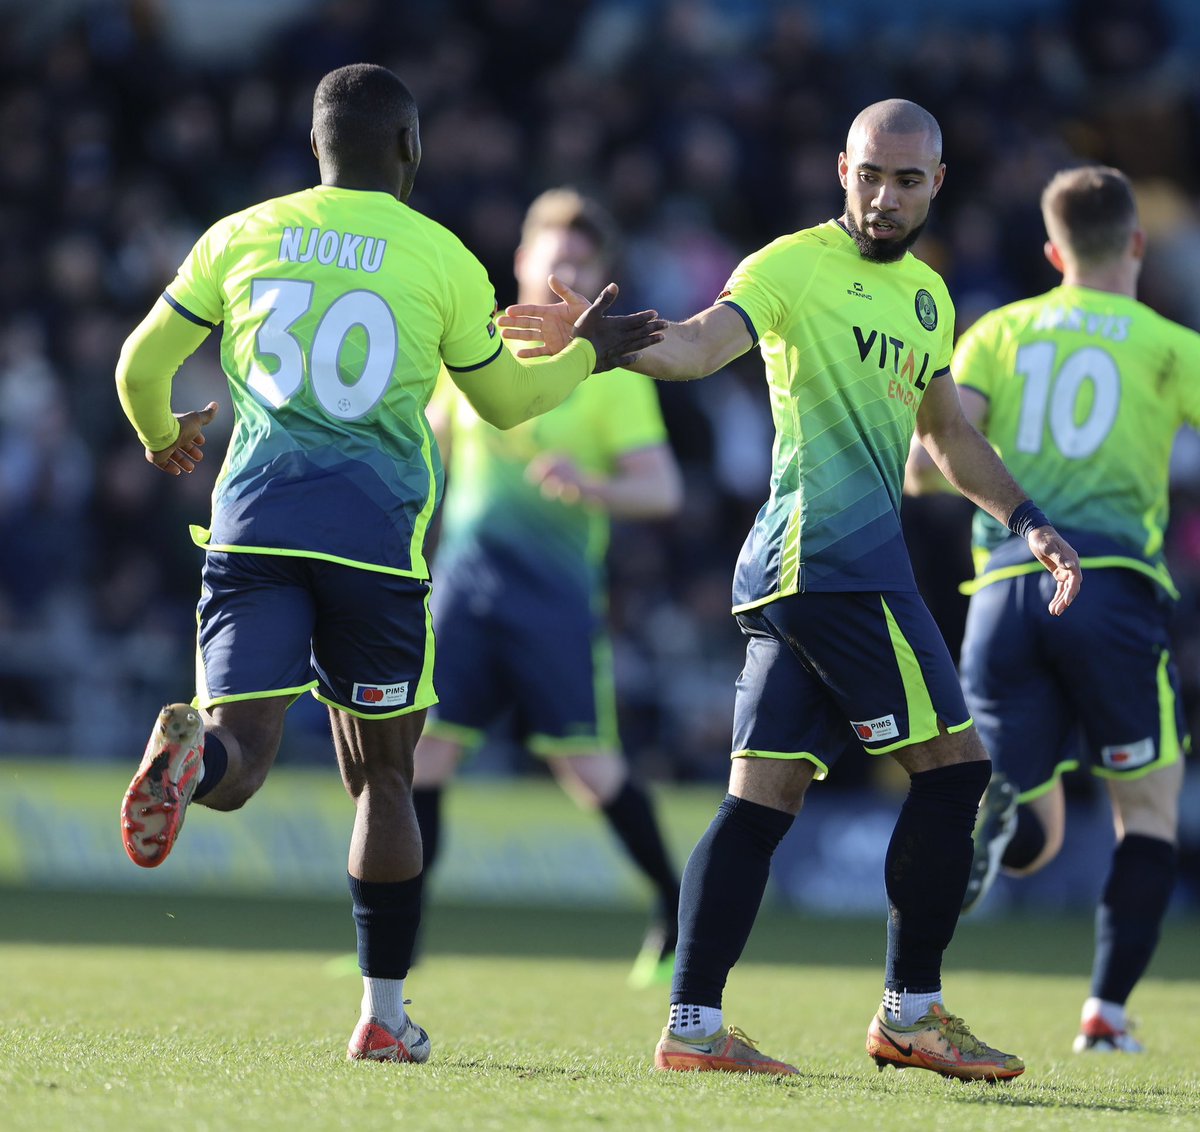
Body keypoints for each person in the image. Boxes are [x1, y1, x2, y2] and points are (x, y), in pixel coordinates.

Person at [500, 98, 1082, 1081]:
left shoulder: (930, 300)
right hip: (833, 564)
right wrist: (606, 341)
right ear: (839, 169)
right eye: (869, 174)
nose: (884, 196)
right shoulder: (790, 264)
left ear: (938, 183)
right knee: (954, 770)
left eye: (907, 180)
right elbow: (694, 346)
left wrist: (1028, 520)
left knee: (760, 798)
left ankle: (691, 1025)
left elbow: (945, 436)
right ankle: (913, 1011)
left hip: (795, 578)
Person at [114, 63, 663, 1064]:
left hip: (254, 531)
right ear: (409, 150)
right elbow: (504, 404)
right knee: (385, 781)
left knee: (241, 764)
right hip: (373, 551)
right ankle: (382, 1013)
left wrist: (164, 437)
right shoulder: (445, 258)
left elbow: (139, 368)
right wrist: (594, 352)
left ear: (315, 146)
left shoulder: (243, 232)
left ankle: (192, 762)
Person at [907, 165, 1191, 1054]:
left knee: (1021, 822)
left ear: (1051, 251)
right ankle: (1104, 1015)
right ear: (1136, 245)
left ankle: (907, 994)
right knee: (1145, 813)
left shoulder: (1000, 330)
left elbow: (926, 465)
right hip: (1108, 588)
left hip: (1003, 594)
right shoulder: (1168, 344)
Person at [411, 188, 685, 986]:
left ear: (600, 278)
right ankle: (398, 943)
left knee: (590, 770)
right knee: (423, 759)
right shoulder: (472, 350)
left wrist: (592, 486)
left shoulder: (613, 374)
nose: (563, 267)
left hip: (554, 603)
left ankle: (673, 909)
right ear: (522, 262)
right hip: (462, 594)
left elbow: (662, 492)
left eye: (580, 260)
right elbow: (423, 456)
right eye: (550, 254)